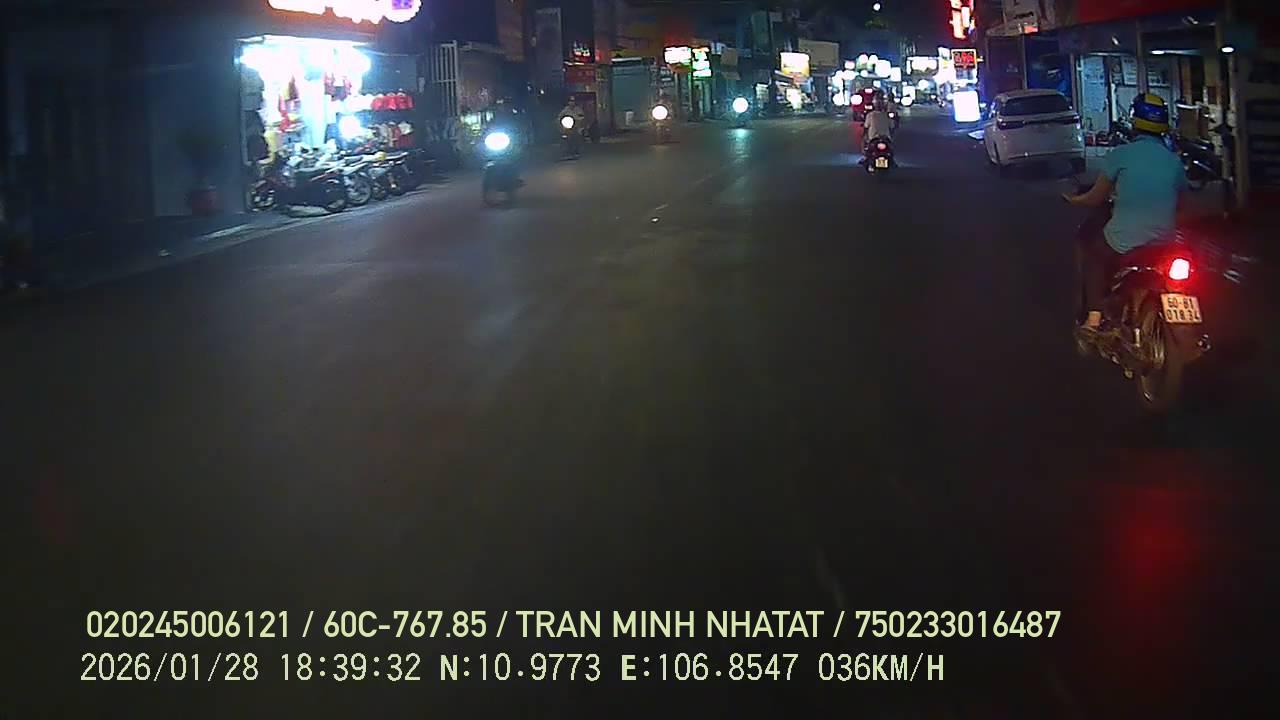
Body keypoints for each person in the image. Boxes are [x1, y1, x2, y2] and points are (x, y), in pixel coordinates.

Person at [1064, 93, 1187, 333]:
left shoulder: (1120, 155)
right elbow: (1184, 205)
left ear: (1134, 120)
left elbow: (1096, 197)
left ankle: (1094, 319)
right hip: (1164, 242)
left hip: (1124, 241)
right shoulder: (1174, 161)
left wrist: (1074, 200)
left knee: (1095, 258)